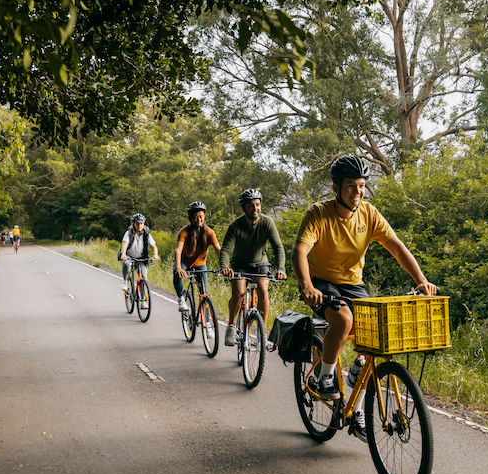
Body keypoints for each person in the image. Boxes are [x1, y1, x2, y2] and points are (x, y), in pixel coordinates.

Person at [291, 155, 438, 439]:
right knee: (343, 319)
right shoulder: (319, 213)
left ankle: (356, 409)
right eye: (350, 187)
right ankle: (324, 377)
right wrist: (307, 285)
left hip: (354, 284)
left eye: (361, 186)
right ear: (336, 188)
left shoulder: (369, 214)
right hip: (323, 282)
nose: (357, 192)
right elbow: (300, 250)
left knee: (372, 344)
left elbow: (396, 247)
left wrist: (421, 281)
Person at [219, 188, 287, 346]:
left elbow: (278, 247)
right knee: (239, 292)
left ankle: (261, 332)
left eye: (257, 205)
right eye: (250, 205)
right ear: (244, 208)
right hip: (240, 265)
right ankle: (230, 327)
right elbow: (226, 249)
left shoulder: (267, 222)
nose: (255, 208)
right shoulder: (236, 225)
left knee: (263, 289)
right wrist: (224, 267)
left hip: (261, 263)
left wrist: (281, 269)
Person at [174, 202, 221, 312]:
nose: (199, 219)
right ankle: (181, 298)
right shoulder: (184, 231)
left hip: (200, 264)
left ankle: (207, 324)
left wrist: (223, 265)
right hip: (184, 262)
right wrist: (178, 267)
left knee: (204, 294)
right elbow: (178, 249)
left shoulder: (209, 232)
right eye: (195, 217)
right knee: (177, 273)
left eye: (201, 217)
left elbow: (218, 249)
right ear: (190, 218)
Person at [119, 213, 160, 291]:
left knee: (143, 278)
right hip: (129, 256)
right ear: (133, 224)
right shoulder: (129, 233)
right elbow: (124, 244)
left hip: (141, 258)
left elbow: (153, 246)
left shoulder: (147, 233)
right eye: (137, 224)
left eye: (141, 223)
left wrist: (155, 254)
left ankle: (143, 301)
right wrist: (123, 255)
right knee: (127, 264)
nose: (139, 226)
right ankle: (125, 281)